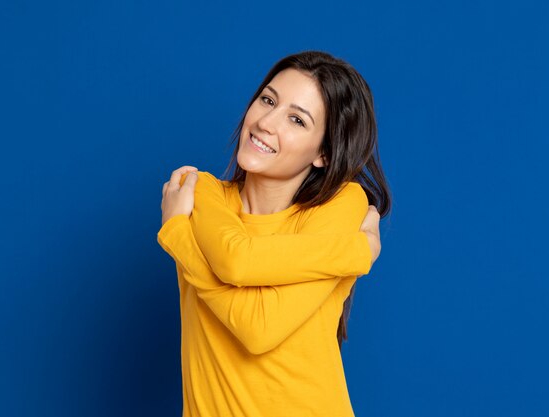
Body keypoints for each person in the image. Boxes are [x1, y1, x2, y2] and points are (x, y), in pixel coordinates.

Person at [158, 51, 391, 417]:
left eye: (297, 120)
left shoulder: (341, 204)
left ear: (325, 154)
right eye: (268, 100)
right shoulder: (201, 191)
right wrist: (358, 252)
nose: (266, 122)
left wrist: (178, 237)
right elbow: (237, 261)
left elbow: (258, 328)